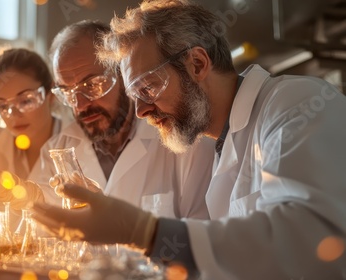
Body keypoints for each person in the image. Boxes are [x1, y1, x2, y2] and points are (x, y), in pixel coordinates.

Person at [31, 1, 346, 279]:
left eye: (147, 88)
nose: (140, 111)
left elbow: (309, 242)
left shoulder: (297, 103)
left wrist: (146, 232)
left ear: (197, 64)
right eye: (133, 95)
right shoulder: (221, 143)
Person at [28, 20, 215, 219]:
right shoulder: (55, 152)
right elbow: (40, 236)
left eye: (92, 85)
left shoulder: (184, 140)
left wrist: (111, 222)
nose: (80, 105)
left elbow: (201, 240)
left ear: (123, 72)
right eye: (68, 92)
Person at [0, 47, 70, 218]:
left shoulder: (81, 144)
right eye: (3, 106)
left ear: (50, 94)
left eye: (26, 100)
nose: (14, 115)